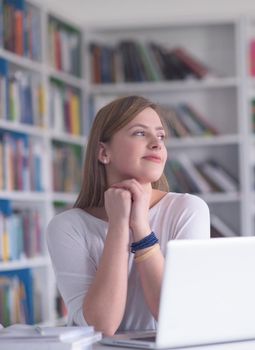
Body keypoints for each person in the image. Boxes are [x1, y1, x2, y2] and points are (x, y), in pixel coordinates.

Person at [46, 95, 210, 336]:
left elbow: (177, 317)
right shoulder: (67, 227)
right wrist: (119, 226)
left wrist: (141, 226)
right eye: (140, 133)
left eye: (161, 136)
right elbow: (101, 327)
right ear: (103, 152)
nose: (157, 143)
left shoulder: (187, 210)